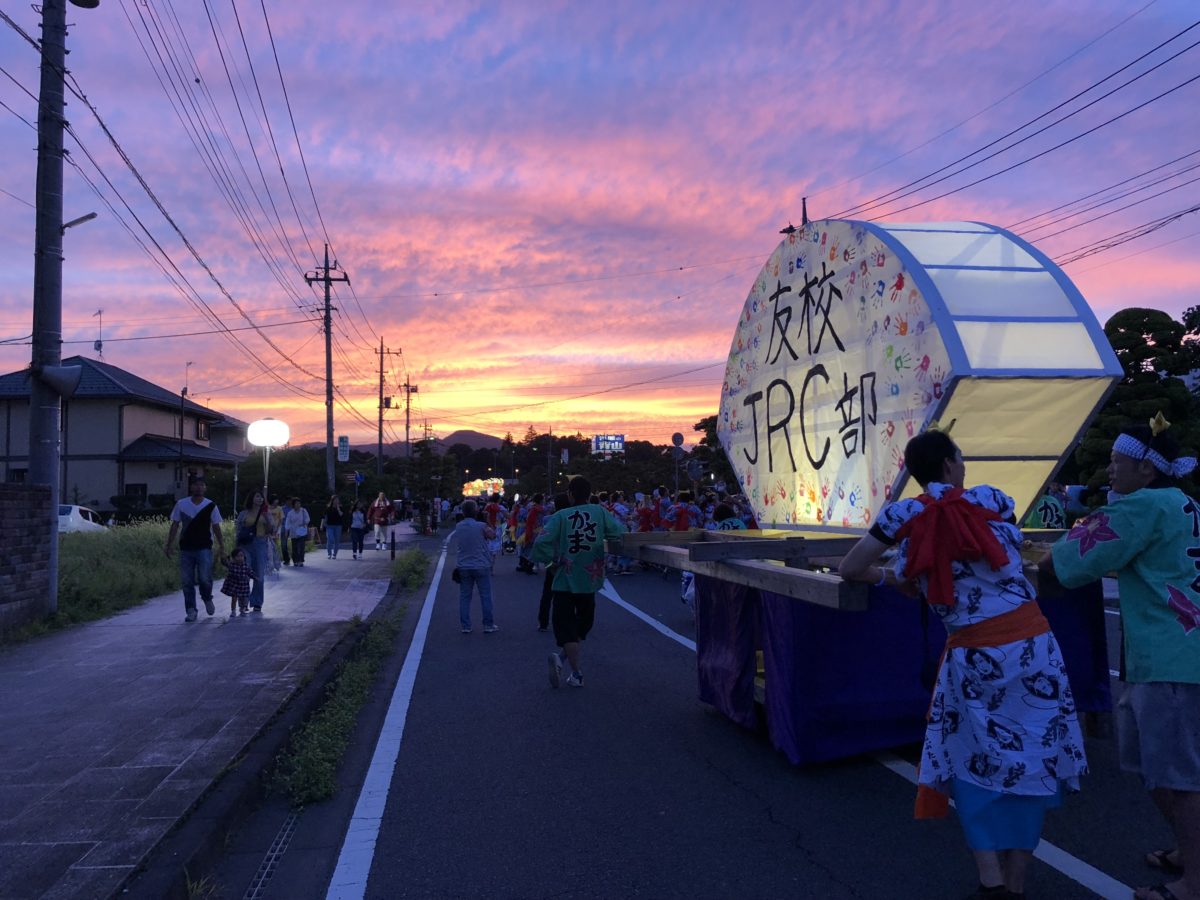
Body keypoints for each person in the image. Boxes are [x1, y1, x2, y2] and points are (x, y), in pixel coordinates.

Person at [838, 429, 1086, 899]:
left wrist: (892, 577)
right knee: (1031, 757)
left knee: (972, 757)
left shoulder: (903, 514)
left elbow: (851, 568)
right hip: (1033, 646)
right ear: (951, 466)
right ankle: (1016, 883)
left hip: (972, 656)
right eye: (961, 458)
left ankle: (990, 880)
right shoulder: (993, 500)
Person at [1039, 415, 1200, 900]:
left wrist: (1040, 561)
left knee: (1177, 774)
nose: (1109, 471)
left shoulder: (1141, 506)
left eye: (1116, 462)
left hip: (1167, 655)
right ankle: (1187, 852)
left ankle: (1194, 882)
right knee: (1164, 768)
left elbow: (1068, 561)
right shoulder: (1186, 503)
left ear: (1146, 470)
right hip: (1179, 648)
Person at [534, 475, 626, 688]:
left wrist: (551, 562)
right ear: (590, 494)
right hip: (589, 579)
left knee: (567, 628)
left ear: (570, 494)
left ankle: (575, 671)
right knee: (581, 626)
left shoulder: (561, 516)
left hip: (564, 580)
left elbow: (541, 543)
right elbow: (620, 533)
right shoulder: (601, 512)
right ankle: (568, 666)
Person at [165, 475, 226, 623]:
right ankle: (191, 610)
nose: (198, 487)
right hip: (186, 548)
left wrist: (221, 545)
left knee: (205, 578)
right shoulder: (181, 504)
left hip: (204, 547)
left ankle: (206, 597)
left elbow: (216, 526)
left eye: (201, 485)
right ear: (191, 487)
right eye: (196, 485)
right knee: (187, 581)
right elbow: (175, 525)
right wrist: (169, 544)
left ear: (205, 488)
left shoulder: (210, 505)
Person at [454, 499, 497, 634]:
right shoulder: (481, 526)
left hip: (463, 565)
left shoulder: (459, 526)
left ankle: (466, 626)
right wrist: (487, 520)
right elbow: (493, 535)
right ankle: (488, 625)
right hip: (481, 564)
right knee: (485, 595)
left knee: (465, 596)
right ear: (476, 511)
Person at [237, 490, 273, 611]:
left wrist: (268, 519)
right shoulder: (243, 514)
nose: (260, 499)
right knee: (244, 573)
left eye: (261, 497)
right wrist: (237, 548)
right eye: (257, 496)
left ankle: (257, 601)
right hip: (245, 545)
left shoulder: (265, 514)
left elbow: (270, 530)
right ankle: (243, 601)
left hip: (260, 543)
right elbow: (238, 530)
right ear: (252, 498)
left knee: (259, 574)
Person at [220, 547, 252, 616]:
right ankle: (233, 610)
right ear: (234, 557)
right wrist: (224, 556)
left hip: (243, 585)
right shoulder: (232, 565)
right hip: (235, 585)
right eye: (238, 556)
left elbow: (250, 572)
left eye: (241, 556)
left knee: (244, 599)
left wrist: (255, 577)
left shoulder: (245, 566)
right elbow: (225, 563)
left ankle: (242, 608)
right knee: (234, 598)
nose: (240, 558)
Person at [283, 497, 311, 567]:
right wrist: (286, 531)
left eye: (299, 503)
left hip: (301, 530)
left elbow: (308, 519)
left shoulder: (303, 511)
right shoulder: (290, 513)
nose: (298, 505)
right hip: (293, 531)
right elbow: (287, 522)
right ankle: (295, 560)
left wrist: (304, 523)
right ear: (293, 505)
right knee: (294, 547)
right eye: (296, 503)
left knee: (301, 546)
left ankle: (301, 560)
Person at [323, 495, 345, 559]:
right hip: (329, 525)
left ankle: (334, 554)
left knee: (337, 541)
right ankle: (329, 553)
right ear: (332, 500)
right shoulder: (328, 507)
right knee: (330, 539)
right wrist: (323, 524)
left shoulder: (340, 507)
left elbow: (341, 515)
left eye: (337, 499)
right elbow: (324, 516)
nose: (336, 501)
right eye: (335, 499)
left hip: (338, 526)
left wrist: (338, 508)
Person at [268, 495, 285, 573]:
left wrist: (277, 529)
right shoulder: (267, 508)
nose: (276, 503)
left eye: (277, 502)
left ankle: (276, 563)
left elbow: (281, 519)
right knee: (268, 547)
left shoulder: (279, 509)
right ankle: (269, 564)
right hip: (268, 530)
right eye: (275, 501)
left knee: (274, 546)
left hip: (276, 529)